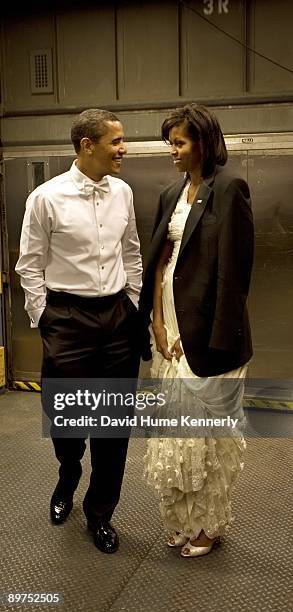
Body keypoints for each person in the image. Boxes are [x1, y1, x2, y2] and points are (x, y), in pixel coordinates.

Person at [15, 108, 142, 554]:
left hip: (117, 318)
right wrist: (46, 318)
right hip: (66, 318)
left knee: (113, 425)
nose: (123, 148)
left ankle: (100, 513)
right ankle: (68, 471)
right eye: (116, 141)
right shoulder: (46, 198)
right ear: (87, 145)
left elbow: (132, 252)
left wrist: (133, 303)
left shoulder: (123, 192)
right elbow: (28, 266)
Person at [139, 104, 254, 558]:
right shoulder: (170, 194)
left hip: (209, 342)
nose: (173, 150)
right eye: (171, 142)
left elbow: (234, 275)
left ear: (203, 144)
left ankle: (206, 526)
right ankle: (182, 521)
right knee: (173, 438)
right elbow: (160, 265)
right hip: (168, 333)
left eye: (180, 142)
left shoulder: (229, 191)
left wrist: (210, 341)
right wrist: (158, 323)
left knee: (205, 440)